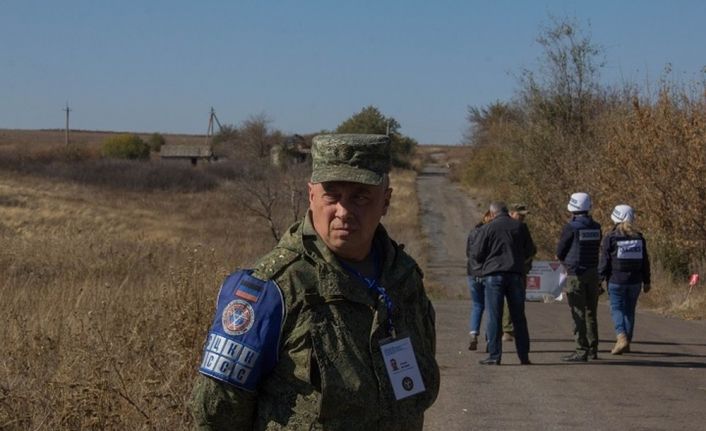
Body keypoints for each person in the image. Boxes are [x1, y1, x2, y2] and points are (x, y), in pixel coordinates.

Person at [190, 134, 440, 430]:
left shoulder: (403, 278)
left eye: (360, 196)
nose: (343, 212)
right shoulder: (273, 289)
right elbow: (216, 413)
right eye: (332, 196)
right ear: (311, 196)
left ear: (385, 200)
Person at [471, 201, 536, 365]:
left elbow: (477, 254)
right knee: (518, 317)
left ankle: (494, 356)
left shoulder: (487, 228)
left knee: (495, 316)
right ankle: (524, 356)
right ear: (507, 212)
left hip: (494, 275)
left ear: (493, 214)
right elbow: (531, 250)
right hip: (515, 274)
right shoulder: (520, 227)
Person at [598, 204, 651, 355]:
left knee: (617, 309)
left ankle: (621, 337)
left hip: (616, 280)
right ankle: (627, 342)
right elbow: (645, 261)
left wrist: (599, 280)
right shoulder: (639, 238)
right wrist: (647, 281)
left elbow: (605, 262)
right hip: (635, 281)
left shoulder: (610, 237)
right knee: (629, 311)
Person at [556, 192, 602, 362]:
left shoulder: (571, 227)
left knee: (578, 313)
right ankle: (593, 349)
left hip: (576, 274)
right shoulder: (596, 227)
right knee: (591, 313)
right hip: (593, 272)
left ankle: (580, 350)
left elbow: (560, 251)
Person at [501, 203, 535, 341]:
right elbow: (531, 250)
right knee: (512, 302)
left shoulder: (498, 226)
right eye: (520, 215)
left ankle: (505, 330)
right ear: (511, 213)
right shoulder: (521, 228)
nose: (522, 218)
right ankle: (508, 330)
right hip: (515, 271)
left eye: (524, 216)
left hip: (503, 270)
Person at [465, 210, 492, 351]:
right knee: (490, 307)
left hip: (472, 273)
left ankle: (473, 334)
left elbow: (468, 253)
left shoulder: (473, 232)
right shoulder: (492, 233)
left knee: (477, 305)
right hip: (488, 274)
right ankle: (489, 339)